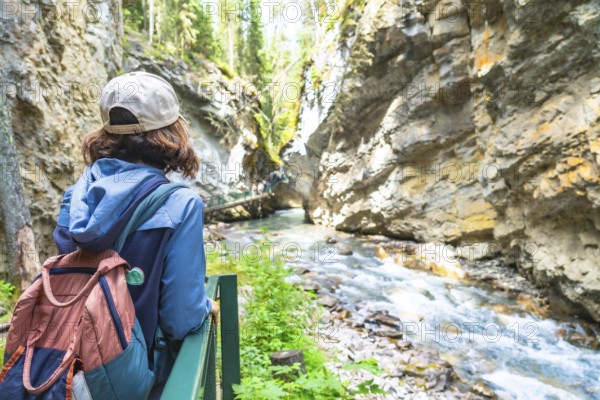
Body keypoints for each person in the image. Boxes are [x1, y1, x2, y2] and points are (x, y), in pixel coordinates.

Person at [53, 71, 219, 398]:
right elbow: (180, 319)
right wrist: (206, 307)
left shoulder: (77, 196)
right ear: (172, 131)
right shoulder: (179, 203)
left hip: (69, 372)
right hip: (137, 380)